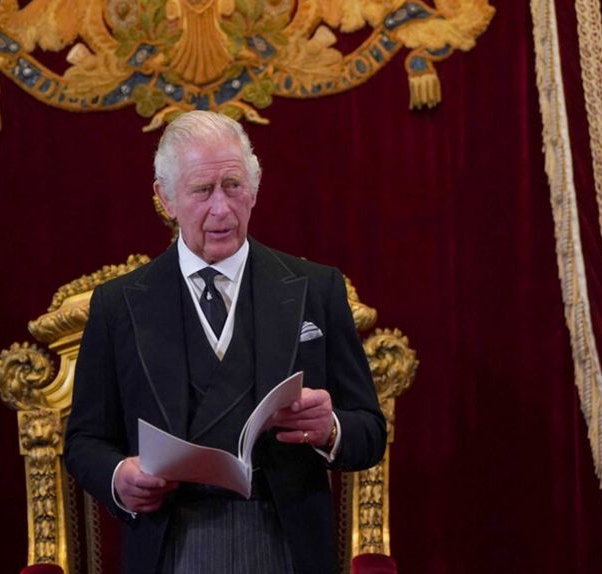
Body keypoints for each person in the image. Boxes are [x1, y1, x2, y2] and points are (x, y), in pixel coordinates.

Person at [64, 111, 387, 574]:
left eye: (233, 186)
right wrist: (119, 478)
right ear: (166, 198)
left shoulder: (317, 289)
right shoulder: (118, 305)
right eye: (202, 190)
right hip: (170, 542)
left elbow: (371, 432)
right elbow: (84, 440)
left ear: (254, 189)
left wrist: (330, 428)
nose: (222, 209)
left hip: (286, 542)